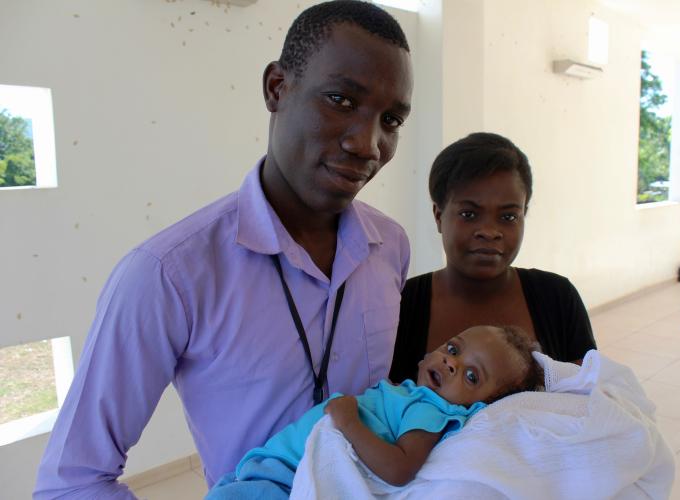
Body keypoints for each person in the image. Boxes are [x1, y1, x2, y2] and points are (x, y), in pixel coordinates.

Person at [34, 2, 413, 498]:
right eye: (341, 99)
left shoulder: (391, 247)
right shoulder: (168, 274)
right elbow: (71, 482)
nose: (369, 144)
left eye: (391, 120)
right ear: (277, 88)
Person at [205, 325, 543, 498]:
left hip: (284, 479)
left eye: (472, 376)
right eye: (453, 348)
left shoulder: (432, 409)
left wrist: (349, 422)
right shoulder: (414, 395)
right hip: (271, 470)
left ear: (480, 406)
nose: (451, 362)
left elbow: (399, 468)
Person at [390, 132, 596, 384]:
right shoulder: (403, 305)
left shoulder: (556, 298)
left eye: (508, 217)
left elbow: (590, 396)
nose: (489, 232)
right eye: (469, 214)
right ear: (438, 215)